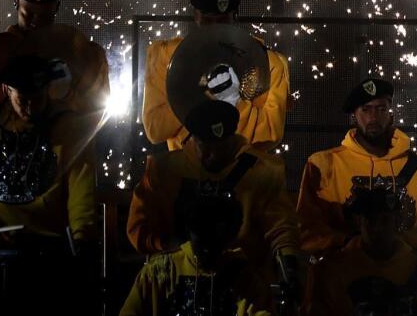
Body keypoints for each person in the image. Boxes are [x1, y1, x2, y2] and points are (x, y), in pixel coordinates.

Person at [127, 99, 300, 310]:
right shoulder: (164, 170)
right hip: (173, 282)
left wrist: (288, 267)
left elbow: (282, 228)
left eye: (223, 148)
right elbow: (138, 227)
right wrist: (176, 251)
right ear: (193, 140)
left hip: (243, 291)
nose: (215, 155)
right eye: (206, 148)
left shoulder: (263, 171)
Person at [0, 55, 97, 311]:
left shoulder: (69, 127)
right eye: (22, 100)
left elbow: (82, 191)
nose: (31, 108)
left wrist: (82, 239)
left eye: (38, 99)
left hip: (49, 255)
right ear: (6, 90)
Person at [297, 77, 417, 254]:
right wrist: (353, 243)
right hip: (345, 272)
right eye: (366, 109)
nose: (373, 117)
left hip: (402, 273)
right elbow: (307, 232)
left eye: (381, 109)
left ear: (391, 116)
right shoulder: (324, 165)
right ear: (354, 116)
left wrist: (389, 244)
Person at [142, 0, 290, 151]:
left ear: (234, 17)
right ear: (196, 17)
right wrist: (202, 94)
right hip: (187, 172)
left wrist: (232, 100)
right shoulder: (165, 56)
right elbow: (155, 130)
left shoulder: (269, 62)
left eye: (222, 21)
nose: (214, 28)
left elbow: (270, 135)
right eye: (208, 20)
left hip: (242, 171)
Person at [303, 178, 417, 316]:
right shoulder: (331, 271)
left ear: (396, 222)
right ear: (359, 222)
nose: (377, 228)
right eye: (371, 220)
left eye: (384, 220)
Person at [120, 195, 272, 316]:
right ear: (189, 232)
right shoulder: (160, 271)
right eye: (202, 241)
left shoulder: (245, 278)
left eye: (215, 243)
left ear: (230, 237)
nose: (207, 249)